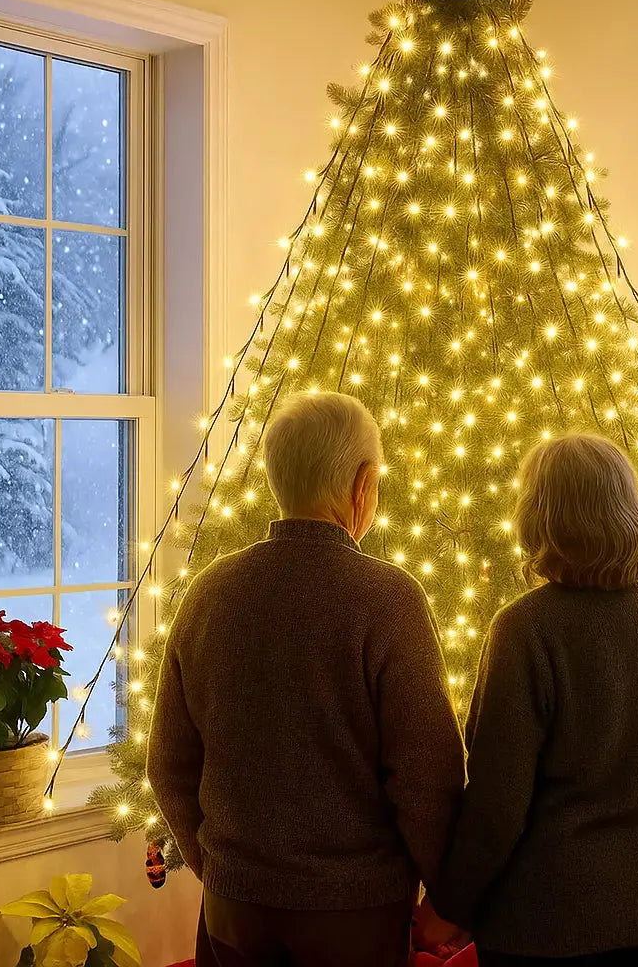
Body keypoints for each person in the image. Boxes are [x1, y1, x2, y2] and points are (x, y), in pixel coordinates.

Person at [148, 391, 466, 967]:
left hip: (232, 910)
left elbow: (168, 763)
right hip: (356, 913)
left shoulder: (209, 592)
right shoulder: (388, 600)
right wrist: (447, 894)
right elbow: (427, 778)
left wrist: (218, 866)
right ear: (363, 485)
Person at [431, 433, 638, 967]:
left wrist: (449, 905)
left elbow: (496, 806)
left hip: (545, 926)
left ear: (538, 520)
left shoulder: (524, 629)